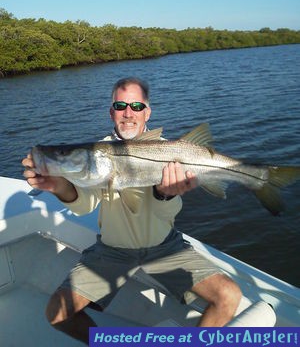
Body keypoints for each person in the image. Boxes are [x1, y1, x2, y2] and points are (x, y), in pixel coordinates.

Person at [22, 77, 241, 344]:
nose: (128, 112)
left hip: (165, 247)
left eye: (136, 105)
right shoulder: (98, 152)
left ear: (147, 112)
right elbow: (85, 204)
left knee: (229, 296)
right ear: (111, 111)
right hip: (112, 250)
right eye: (120, 105)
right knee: (57, 313)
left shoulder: (171, 150)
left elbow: (167, 215)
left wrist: (164, 194)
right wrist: (58, 185)